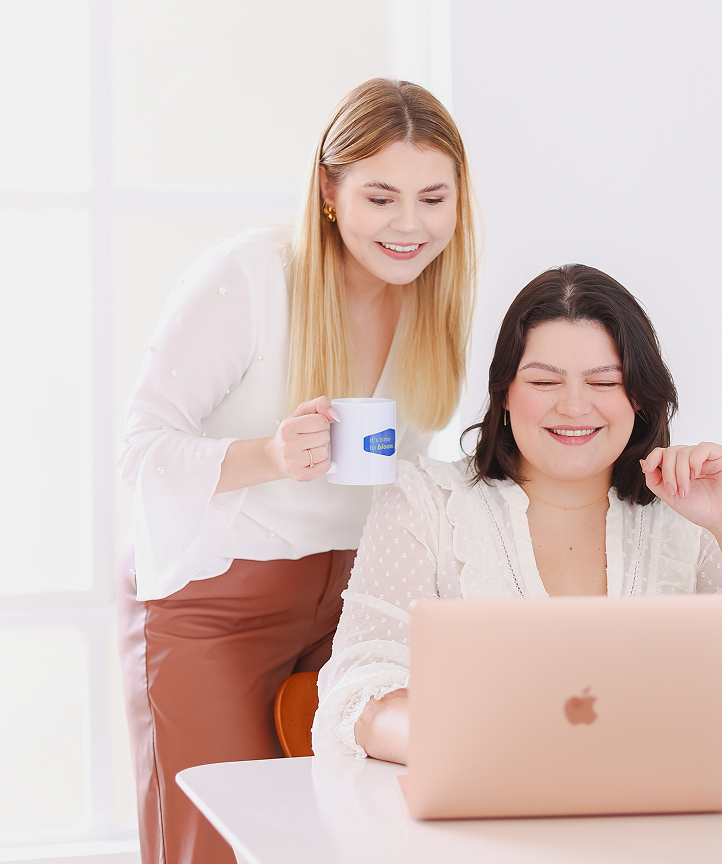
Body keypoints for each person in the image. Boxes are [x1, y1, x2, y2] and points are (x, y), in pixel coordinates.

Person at [116, 79, 477, 864]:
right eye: (380, 197)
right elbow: (139, 447)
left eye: (432, 199)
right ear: (328, 191)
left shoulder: (434, 299)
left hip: (354, 606)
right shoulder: (251, 278)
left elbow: (410, 477)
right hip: (215, 604)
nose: (410, 225)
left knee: (342, 839)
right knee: (216, 845)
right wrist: (271, 457)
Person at [313, 264, 722, 765]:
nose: (574, 407)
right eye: (544, 382)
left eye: (603, 382)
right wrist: (488, 749)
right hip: (484, 809)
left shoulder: (685, 514)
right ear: (504, 394)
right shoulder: (422, 500)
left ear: (639, 396)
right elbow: (360, 694)